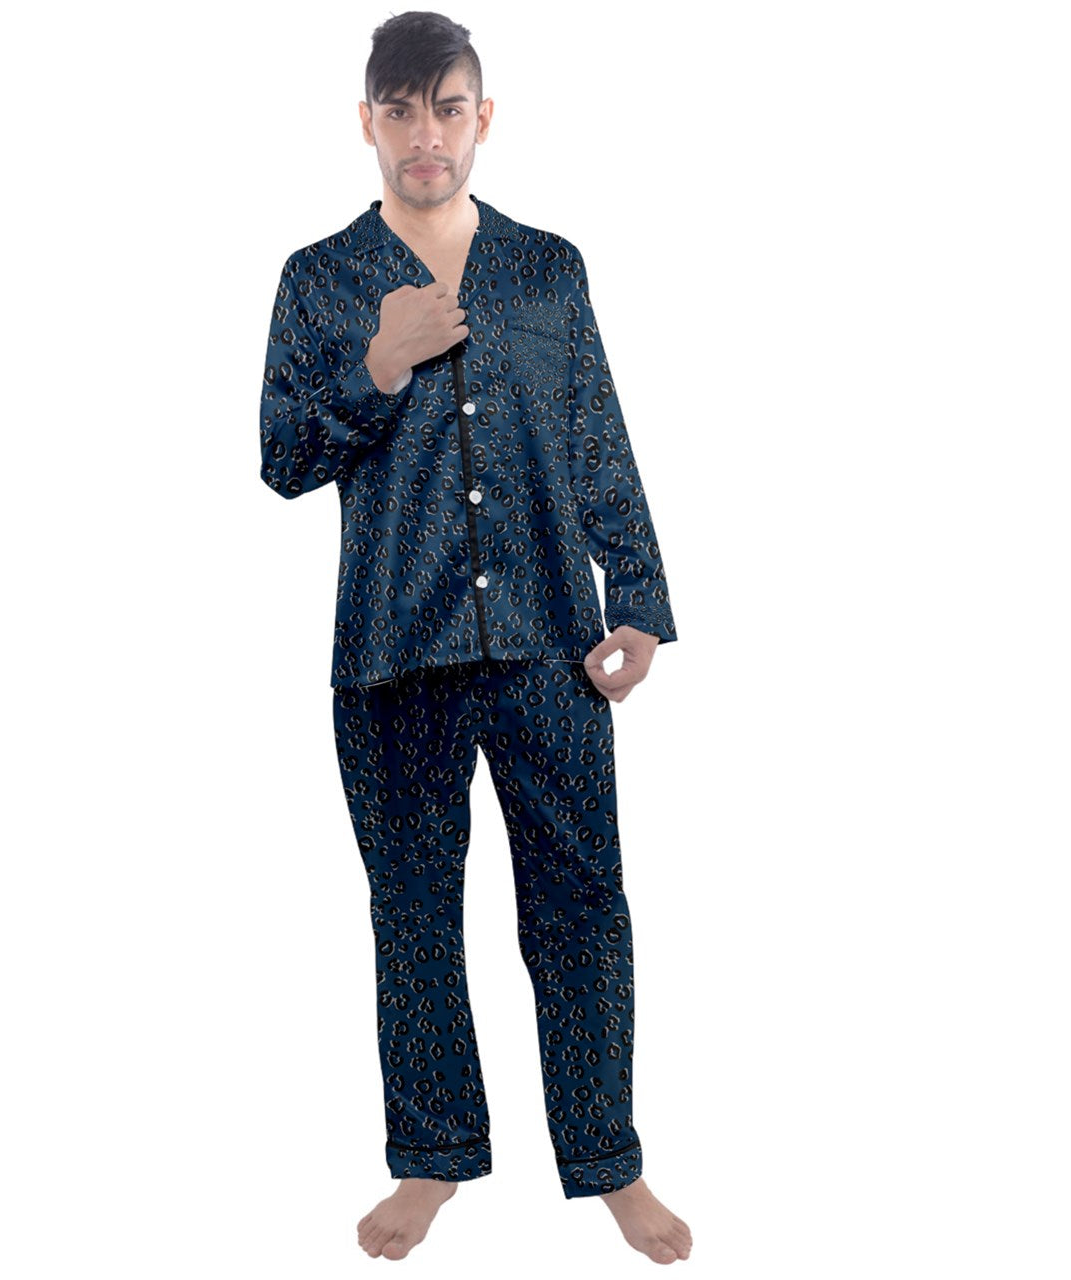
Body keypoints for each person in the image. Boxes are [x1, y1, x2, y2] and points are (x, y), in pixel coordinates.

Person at [258, 11, 691, 1265]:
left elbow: (596, 432)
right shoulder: (317, 280)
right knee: (411, 916)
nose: (424, 135)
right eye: (398, 111)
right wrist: (378, 369)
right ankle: (431, 1157)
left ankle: (608, 1159)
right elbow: (281, 458)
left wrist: (637, 595)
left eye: (446, 108)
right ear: (365, 122)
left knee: (583, 907)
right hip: (392, 654)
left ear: (481, 118)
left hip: (550, 643)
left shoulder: (549, 268)